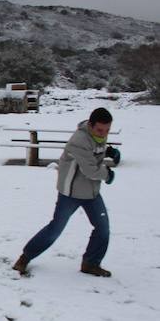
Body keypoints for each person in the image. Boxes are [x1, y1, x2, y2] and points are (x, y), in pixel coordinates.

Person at [13, 107, 119, 277]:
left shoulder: (96, 135)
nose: (103, 134)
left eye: (107, 130)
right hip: (70, 192)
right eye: (100, 130)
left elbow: (96, 148)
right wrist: (108, 175)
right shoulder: (79, 140)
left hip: (91, 192)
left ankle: (91, 263)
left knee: (103, 229)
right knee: (55, 229)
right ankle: (25, 258)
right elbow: (90, 169)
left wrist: (109, 150)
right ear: (90, 125)